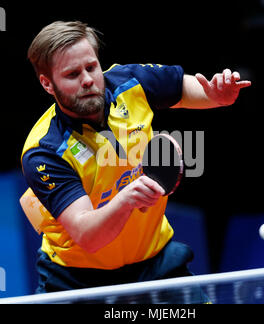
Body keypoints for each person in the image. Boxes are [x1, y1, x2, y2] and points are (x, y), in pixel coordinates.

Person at [21, 21, 251, 300]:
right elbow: (88, 235)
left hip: (155, 264)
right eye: (72, 74)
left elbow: (181, 86)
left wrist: (215, 96)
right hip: (76, 280)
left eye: (91, 67)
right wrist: (126, 199)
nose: (87, 80)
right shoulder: (44, 151)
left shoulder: (130, 83)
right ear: (47, 83)